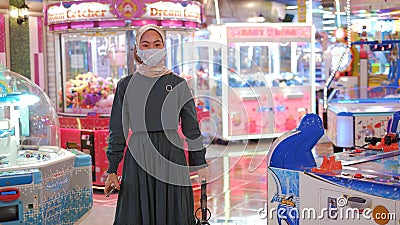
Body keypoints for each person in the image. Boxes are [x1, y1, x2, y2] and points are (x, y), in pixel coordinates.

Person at [104, 24, 209, 225]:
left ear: (164, 47)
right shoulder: (125, 85)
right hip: (139, 154)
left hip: (171, 152)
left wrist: (199, 162)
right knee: (137, 210)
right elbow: (117, 129)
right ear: (138, 50)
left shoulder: (178, 84)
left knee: (173, 209)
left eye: (157, 43)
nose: (152, 48)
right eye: (145, 44)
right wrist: (112, 168)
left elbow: (191, 127)